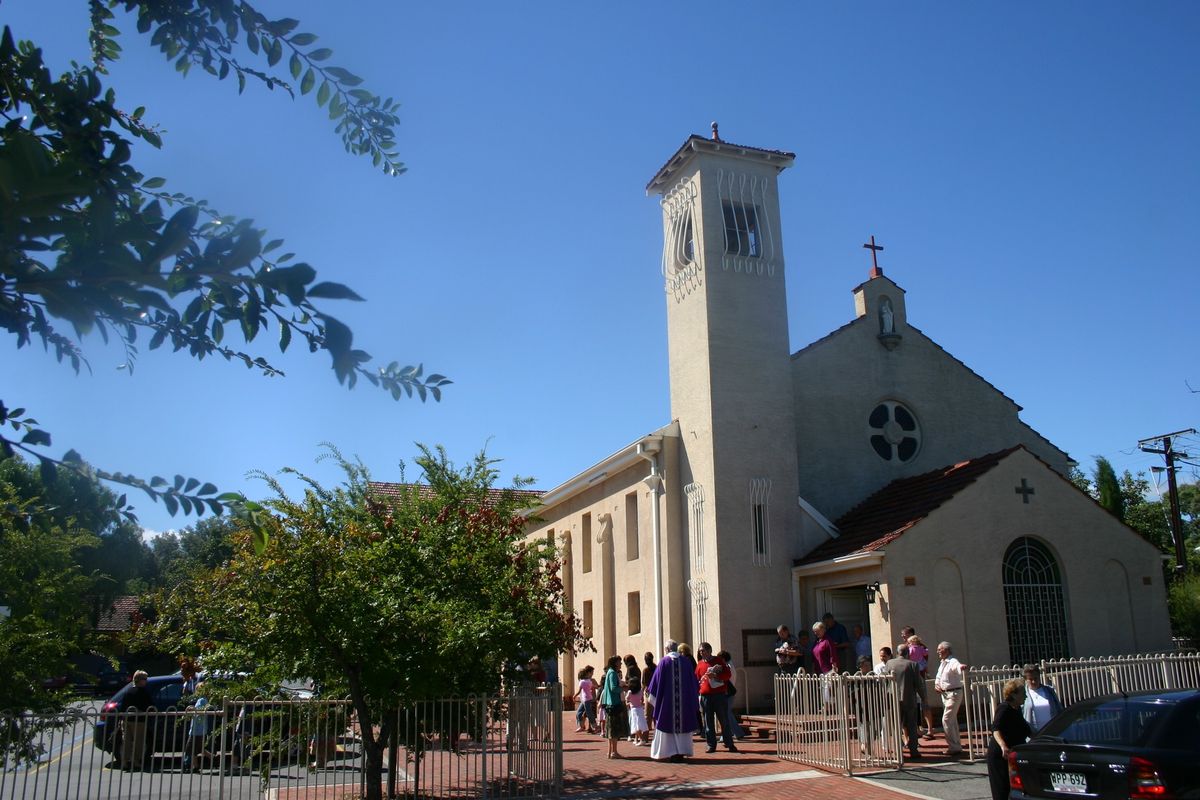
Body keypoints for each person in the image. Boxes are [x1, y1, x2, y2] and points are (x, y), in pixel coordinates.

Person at [646, 640, 700, 762]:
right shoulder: (686, 662)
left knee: (667, 725)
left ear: (666, 649)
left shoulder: (663, 662)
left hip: (667, 704)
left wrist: (654, 698)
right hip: (684, 704)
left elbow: (655, 684)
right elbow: (693, 683)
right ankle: (682, 751)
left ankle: (670, 752)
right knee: (682, 726)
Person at [988, 679, 1031, 800]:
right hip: (1000, 755)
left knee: (1016, 788)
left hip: (1012, 755)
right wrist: (1003, 745)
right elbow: (996, 729)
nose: (1026, 696)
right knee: (1002, 789)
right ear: (1013, 694)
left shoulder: (1017, 709)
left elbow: (1027, 730)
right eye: (1023, 693)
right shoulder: (1004, 708)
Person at [886, 643, 927, 760]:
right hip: (909, 698)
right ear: (908, 653)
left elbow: (884, 681)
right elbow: (918, 684)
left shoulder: (890, 663)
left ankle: (898, 750)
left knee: (896, 725)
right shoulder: (913, 665)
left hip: (893, 698)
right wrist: (923, 698)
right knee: (912, 725)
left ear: (897, 652)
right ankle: (913, 750)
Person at [695, 643, 737, 754]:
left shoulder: (718, 661)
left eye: (703, 650)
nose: (701, 653)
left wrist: (716, 676)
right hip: (705, 697)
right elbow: (697, 679)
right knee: (708, 722)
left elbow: (727, 675)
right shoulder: (699, 664)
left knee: (723, 720)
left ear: (709, 650)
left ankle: (729, 743)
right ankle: (711, 745)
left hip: (719, 695)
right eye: (700, 651)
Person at [933, 641, 968, 756]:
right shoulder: (942, 663)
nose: (938, 651)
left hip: (954, 694)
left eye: (940, 649)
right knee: (952, 721)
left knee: (946, 719)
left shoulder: (952, 661)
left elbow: (957, 666)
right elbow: (938, 677)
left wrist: (961, 667)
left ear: (946, 650)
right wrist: (937, 685)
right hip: (945, 695)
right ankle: (956, 745)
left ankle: (953, 746)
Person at [118, 670, 154, 771]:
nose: (146, 681)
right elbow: (150, 706)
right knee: (139, 741)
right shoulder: (142, 692)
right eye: (145, 679)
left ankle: (124, 761)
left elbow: (123, 706)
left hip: (126, 719)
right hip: (139, 720)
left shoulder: (128, 691)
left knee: (126, 741)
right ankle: (136, 761)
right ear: (140, 680)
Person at [599, 656, 628, 759]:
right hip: (613, 703)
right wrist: (624, 688)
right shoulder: (612, 673)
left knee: (610, 729)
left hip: (610, 703)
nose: (620, 664)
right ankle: (614, 752)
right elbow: (613, 688)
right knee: (613, 729)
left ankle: (610, 751)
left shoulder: (610, 672)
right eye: (619, 662)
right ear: (615, 663)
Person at [182, 681, 213, 772]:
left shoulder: (202, 700)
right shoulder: (203, 700)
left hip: (197, 729)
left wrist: (193, 709)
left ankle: (195, 765)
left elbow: (201, 711)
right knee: (197, 748)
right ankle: (199, 763)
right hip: (199, 728)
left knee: (190, 748)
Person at [1021, 664, 1062, 732]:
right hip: (1034, 735)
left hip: (1053, 732)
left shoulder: (1049, 691)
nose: (1034, 681)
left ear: (1039, 677)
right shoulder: (1022, 694)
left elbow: (1059, 709)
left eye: (1035, 678)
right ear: (1025, 680)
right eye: (1030, 679)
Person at [907, 634, 934, 738]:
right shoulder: (921, 648)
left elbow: (907, 657)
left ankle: (919, 728)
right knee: (922, 701)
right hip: (920, 667)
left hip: (913, 672)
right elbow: (926, 653)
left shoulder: (909, 649)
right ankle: (923, 728)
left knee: (921, 702)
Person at [717, 649, 746, 740]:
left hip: (727, 692)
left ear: (723, 658)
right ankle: (731, 733)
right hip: (728, 692)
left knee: (726, 713)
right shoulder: (730, 665)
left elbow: (726, 679)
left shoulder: (728, 666)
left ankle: (736, 733)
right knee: (726, 714)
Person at [573, 666, 598, 734]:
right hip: (586, 699)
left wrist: (574, 696)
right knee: (581, 713)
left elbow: (579, 691)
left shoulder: (583, 682)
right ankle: (583, 726)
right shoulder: (589, 681)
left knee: (588, 713)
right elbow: (594, 687)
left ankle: (594, 727)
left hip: (586, 700)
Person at [626, 674, 649, 746]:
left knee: (636, 725)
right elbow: (642, 700)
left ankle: (642, 739)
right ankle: (636, 739)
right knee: (639, 724)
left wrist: (629, 703)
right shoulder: (640, 691)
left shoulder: (630, 692)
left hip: (634, 710)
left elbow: (627, 699)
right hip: (640, 709)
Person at [641, 652, 657, 732]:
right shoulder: (656, 668)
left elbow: (644, 683)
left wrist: (641, 694)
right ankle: (656, 730)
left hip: (648, 692)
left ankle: (646, 733)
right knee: (655, 713)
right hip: (656, 692)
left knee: (647, 714)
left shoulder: (646, 670)